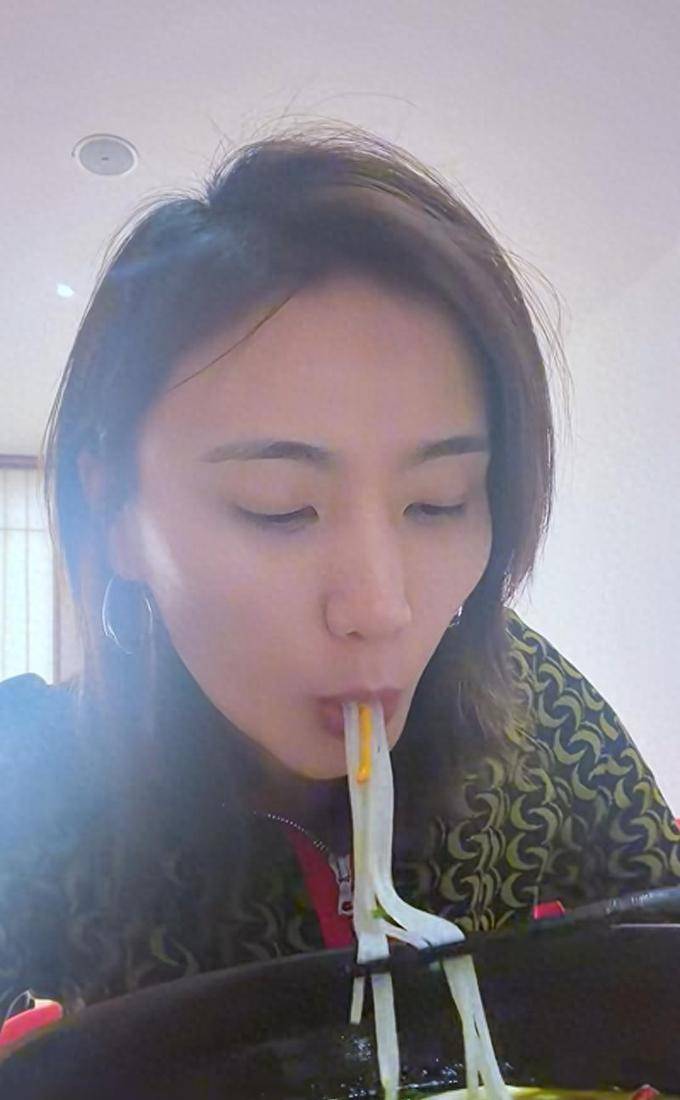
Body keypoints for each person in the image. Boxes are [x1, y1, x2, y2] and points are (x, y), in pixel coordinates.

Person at [1, 123, 678, 1028]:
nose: (381, 607)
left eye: (437, 501)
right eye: (278, 507)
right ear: (112, 506)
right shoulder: (29, 780)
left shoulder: (531, 700)